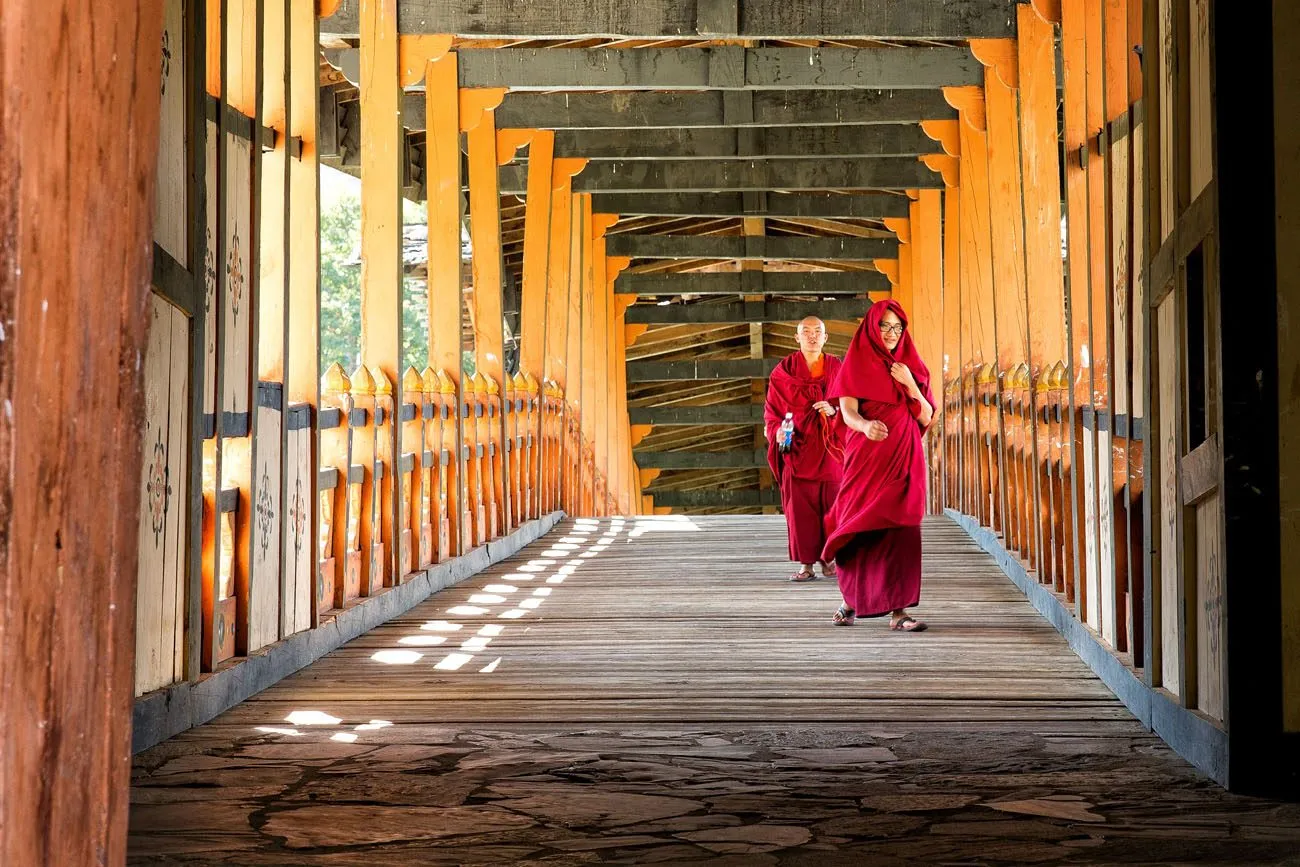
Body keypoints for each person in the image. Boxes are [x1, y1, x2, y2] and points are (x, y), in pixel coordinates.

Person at [821, 299, 935, 632]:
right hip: (866, 459)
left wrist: (910, 383)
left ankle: (899, 612)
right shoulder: (856, 361)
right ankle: (851, 599)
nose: (891, 333)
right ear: (872, 327)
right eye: (884, 326)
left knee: (902, 528)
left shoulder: (910, 365)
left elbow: (926, 414)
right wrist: (865, 427)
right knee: (861, 527)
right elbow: (847, 412)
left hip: (904, 459)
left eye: (897, 328)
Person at [764, 316, 846, 582]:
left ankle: (829, 558)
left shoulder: (838, 368)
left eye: (818, 332)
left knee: (834, 504)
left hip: (830, 448)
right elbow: (772, 412)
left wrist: (833, 410)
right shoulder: (783, 372)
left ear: (826, 337)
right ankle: (806, 564)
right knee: (799, 509)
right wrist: (778, 430)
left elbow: (851, 404)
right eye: (806, 332)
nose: (813, 336)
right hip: (797, 448)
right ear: (797, 338)